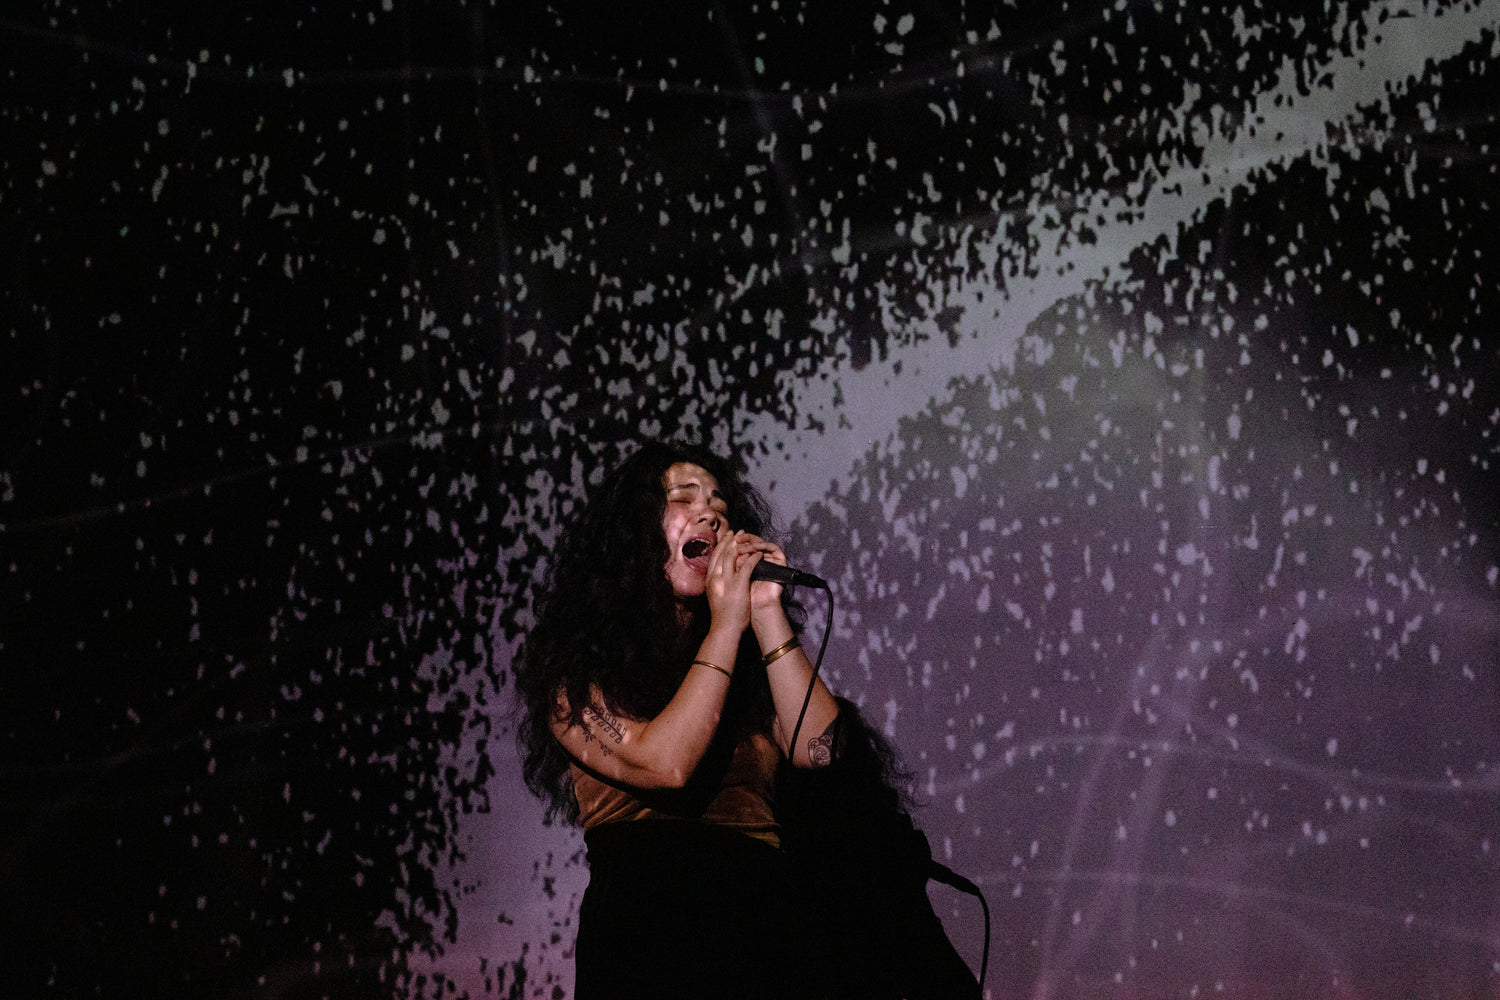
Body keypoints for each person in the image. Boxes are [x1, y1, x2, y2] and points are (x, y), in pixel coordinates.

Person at [515, 438, 979, 999]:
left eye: (720, 504)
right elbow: (667, 765)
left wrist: (765, 613)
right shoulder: (574, 671)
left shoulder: (745, 673)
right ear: (634, 534)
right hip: (645, 934)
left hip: (762, 930)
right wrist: (727, 624)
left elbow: (821, 751)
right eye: (683, 499)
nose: (710, 513)